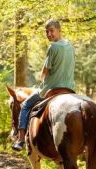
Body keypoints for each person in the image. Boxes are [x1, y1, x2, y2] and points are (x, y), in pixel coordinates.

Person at [11, 19, 76, 151]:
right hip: (69, 89)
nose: (49, 34)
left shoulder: (53, 47)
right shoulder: (70, 46)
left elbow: (45, 72)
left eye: (51, 31)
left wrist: (41, 79)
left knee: (24, 106)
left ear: (59, 30)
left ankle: (21, 139)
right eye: (46, 32)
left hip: (51, 89)